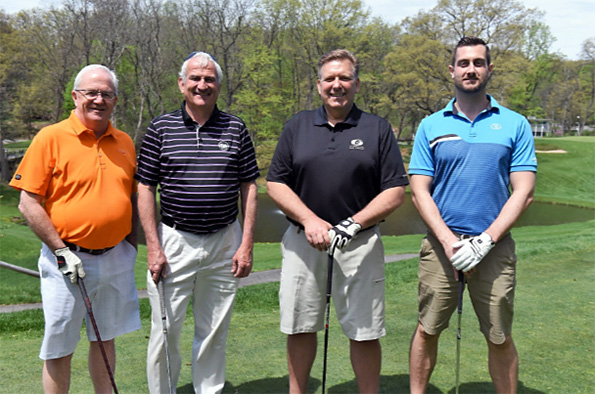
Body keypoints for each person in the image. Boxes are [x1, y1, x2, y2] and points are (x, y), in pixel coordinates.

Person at [267, 49, 409, 393]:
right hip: (305, 241)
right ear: (318, 85)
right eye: (329, 78)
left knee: (365, 329)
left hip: (359, 243)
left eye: (344, 78)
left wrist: (353, 224)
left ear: (356, 84)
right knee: (300, 325)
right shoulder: (297, 125)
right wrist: (310, 219)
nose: (337, 85)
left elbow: (394, 192)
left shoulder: (376, 128)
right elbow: (275, 182)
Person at [408, 36, 537, 394]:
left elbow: (523, 191)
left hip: (493, 247)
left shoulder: (515, 124)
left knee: (498, 334)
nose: (470, 69)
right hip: (440, 247)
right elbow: (419, 191)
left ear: (489, 69)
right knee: (428, 328)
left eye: (478, 63)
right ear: (451, 70)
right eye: (463, 63)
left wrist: (484, 241)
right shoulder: (431, 125)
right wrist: (450, 242)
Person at [9, 64, 141, 393]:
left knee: (105, 339)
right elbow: (28, 203)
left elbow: (134, 199)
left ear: (115, 100)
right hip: (66, 261)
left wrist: (131, 247)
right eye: (91, 93)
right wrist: (61, 250)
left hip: (115, 257)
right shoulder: (50, 137)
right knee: (59, 348)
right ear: (75, 96)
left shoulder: (123, 141)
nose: (99, 99)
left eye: (106, 94)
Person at [136, 51, 259, 394]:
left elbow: (249, 186)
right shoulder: (161, 127)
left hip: (224, 240)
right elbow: (145, 187)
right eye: (195, 78)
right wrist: (154, 247)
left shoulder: (235, 127)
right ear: (181, 83)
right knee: (165, 331)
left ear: (218, 85)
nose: (201, 85)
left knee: (214, 331)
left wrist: (246, 243)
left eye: (209, 79)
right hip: (174, 240)